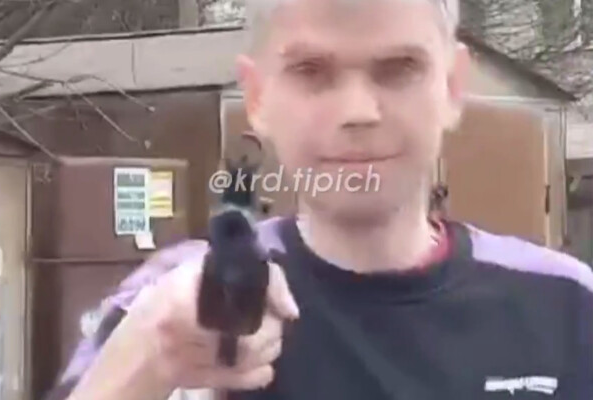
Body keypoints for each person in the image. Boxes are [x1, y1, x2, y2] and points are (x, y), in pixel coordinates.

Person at [48, 0, 593, 399]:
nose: (358, 112)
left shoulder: (566, 306)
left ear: (452, 88)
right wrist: (144, 363)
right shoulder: (168, 310)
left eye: (398, 69)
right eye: (311, 71)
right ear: (257, 96)